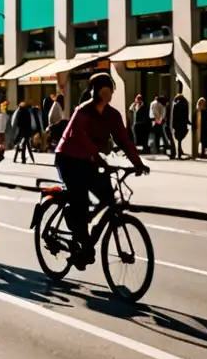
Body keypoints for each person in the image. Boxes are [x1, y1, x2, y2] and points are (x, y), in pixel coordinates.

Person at [55, 73, 148, 269]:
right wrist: (97, 158)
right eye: (103, 90)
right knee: (80, 200)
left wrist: (138, 163)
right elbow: (79, 137)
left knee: (109, 197)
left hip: (89, 160)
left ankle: (88, 236)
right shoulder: (83, 111)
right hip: (69, 158)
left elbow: (124, 140)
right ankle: (81, 236)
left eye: (110, 90)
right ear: (95, 91)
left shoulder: (113, 116)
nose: (108, 94)